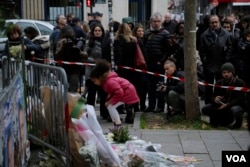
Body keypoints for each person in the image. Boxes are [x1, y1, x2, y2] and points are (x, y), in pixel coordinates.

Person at [90, 59, 140, 126]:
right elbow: (115, 91)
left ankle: (117, 123)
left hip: (127, 93)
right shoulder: (107, 81)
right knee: (110, 106)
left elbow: (119, 92)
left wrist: (111, 101)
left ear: (100, 77)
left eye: (95, 81)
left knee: (110, 106)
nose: (94, 83)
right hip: (127, 91)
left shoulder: (109, 82)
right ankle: (116, 122)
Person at [199, 15, 233, 104]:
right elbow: (202, 50)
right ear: (209, 24)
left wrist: (226, 59)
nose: (214, 24)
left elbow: (230, 47)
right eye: (212, 22)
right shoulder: (204, 35)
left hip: (221, 63)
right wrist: (205, 60)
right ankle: (208, 104)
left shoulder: (226, 34)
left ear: (219, 22)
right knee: (208, 86)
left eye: (216, 22)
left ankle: (221, 103)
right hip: (209, 63)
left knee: (221, 85)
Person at [201, 62, 246, 129]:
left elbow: (240, 99)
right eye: (224, 72)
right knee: (206, 109)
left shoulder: (240, 83)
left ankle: (237, 124)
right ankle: (217, 121)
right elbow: (213, 96)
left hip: (233, 105)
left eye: (228, 72)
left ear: (232, 73)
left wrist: (228, 104)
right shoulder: (219, 83)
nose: (226, 74)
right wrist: (215, 99)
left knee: (236, 110)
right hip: (221, 105)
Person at [143, 12, 170, 113]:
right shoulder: (146, 33)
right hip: (149, 64)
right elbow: (144, 47)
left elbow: (167, 50)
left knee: (160, 86)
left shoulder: (165, 34)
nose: (156, 23)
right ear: (151, 22)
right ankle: (151, 105)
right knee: (150, 87)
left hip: (159, 64)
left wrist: (161, 61)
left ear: (161, 22)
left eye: (158, 21)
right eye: (154, 21)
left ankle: (160, 106)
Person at [55, 25, 82, 92]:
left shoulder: (76, 42)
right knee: (64, 88)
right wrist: (62, 47)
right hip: (63, 67)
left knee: (73, 88)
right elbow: (57, 56)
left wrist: (77, 48)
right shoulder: (60, 42)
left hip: (74, 68)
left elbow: (83, 55)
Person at [84, 23, 105, 107]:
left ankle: (104, 113)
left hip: (102, 71)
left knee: (103, 93)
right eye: (95, 30)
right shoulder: (89, 42)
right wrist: (93, 61)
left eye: (99, 30)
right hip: (91, 71)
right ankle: (90, 112)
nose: (97, 32)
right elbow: (85, 56)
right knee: (91, 93)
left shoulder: (105, 42)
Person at [132, 24, 148, 111]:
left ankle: (141, 104)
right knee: (139, 87)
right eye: (139, 31)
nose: (141, 32)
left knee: (143, 87)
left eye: (142, 31)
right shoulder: (136, 41)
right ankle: (137, 105)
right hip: (138, 67)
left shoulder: (143, 40)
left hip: (143, 67)